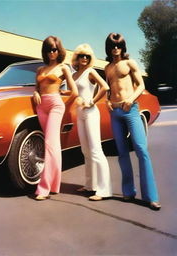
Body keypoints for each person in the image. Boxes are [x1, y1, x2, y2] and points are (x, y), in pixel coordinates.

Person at [104, 32, 161, 210]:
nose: (115, 49)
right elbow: (108, 89)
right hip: (115, 112)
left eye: (118, 46)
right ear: (108, 48)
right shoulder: (107, 68)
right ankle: (128, 191)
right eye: (112, 46)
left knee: (141, 150)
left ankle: (151, 196)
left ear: (123, 47)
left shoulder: (129, 63)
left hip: (130, 110)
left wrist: (131, 99)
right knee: (122, 153)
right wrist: (106, 101)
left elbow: (141, 85)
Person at [33, 35, 78, 200]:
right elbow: (37, 88)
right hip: (41, 107)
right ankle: (54, 184)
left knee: (49, 145)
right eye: (48, 50)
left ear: (59, 50)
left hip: (55, 106)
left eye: (54, 49)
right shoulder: (40, 70)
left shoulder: (63, 68)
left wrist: (63, 105)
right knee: (53, 145)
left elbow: (75, 92)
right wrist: (36, 93)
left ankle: (43, 188)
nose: (52, 52)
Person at [72, 43, 112, 201]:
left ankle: (104, 190)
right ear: (76, 57)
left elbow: (105, 87)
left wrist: (92, 101)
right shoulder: (74, 75)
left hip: (90, 112)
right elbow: (73, 93)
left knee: (96, 150)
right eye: (81, 55)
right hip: (79, 113)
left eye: (87, 56)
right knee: (85, 150)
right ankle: (90, 186)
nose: (84, 58)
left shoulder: (90, 72)